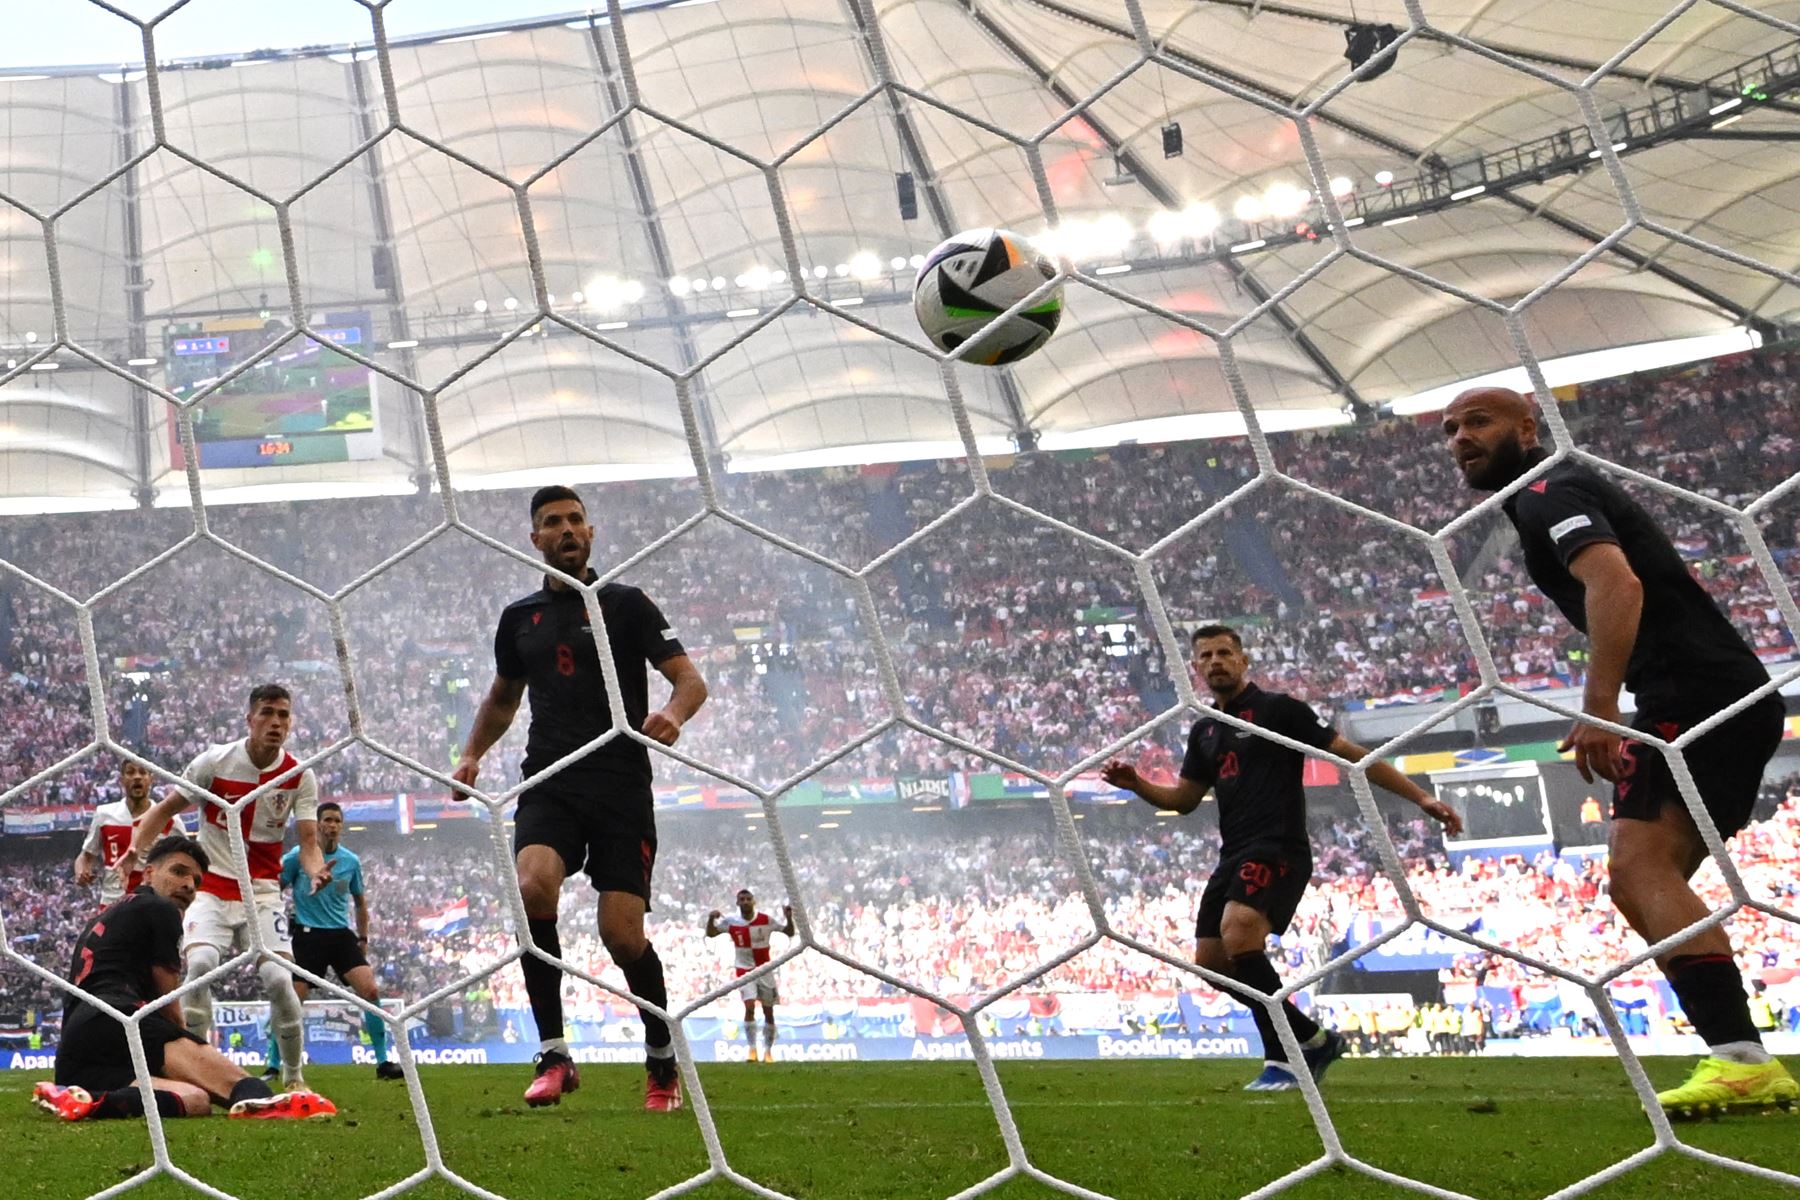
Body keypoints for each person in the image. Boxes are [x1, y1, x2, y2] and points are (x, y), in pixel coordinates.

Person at [1443, 386, 1799, 1118]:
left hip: (1695, 698)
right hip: (1713, 695)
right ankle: (1742, 1061)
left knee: (1639, 867)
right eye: (1450, 429)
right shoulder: (1533, 497)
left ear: (1527, 426)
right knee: (1635, 880)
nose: (1459, 437)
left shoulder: (1550, 486)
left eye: (1478, 421)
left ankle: (1742, 1062)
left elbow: (1616, 580)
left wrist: (1601, 706)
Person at [1102, 624, 1462, 1091]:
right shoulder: (1205, 730)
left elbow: (1354, 756)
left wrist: (1421, 798)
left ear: (1243, 660)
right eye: (1206, 655)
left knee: (1239, 933)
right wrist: (1138, 786)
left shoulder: (1278, 710)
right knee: (1212, 962)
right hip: (1232, 854)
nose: (1216, 662)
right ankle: (1312, 1038)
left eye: (1225, 653)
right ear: (1196, 667)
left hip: (1279, 846)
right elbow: (1185, 800)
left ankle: (1284, 1057)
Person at [451, 484, 708, 1111]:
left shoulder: (627, 604)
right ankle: (555, 1054)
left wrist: (673, 714)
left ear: (590, 533)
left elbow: (690, 680)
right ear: (534, 539)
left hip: (621, 785)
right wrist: (471, 754)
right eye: (552, 522)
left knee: (621, 937)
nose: (566, 530)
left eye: (575, 519)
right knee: (532, 886)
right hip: (551, 779)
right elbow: (502, 699)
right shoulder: (519, 619)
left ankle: (660, 1058)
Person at [118, 683, 330, 1094]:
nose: (276, 722)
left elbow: (308, 844)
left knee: (279, 980)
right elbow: (164, 809)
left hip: (263, 891)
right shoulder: (213, 763)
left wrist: (316, 870)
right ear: (249, 719)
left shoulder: (299, 776)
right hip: (210, 888)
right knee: (198, 970)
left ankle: (294, 1078)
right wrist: (135, 848)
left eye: (283, 714)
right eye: (267, 713)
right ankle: (200, 1072)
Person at [34, 834, 335, 1122]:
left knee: (195, 1100)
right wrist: (186, 1043)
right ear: (148, 873)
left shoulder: (106, 915)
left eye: (196, 882)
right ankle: (277, 1104)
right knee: (236, 1086)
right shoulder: (159, 908)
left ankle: (87, 1100)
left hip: (76, 1050)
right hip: (120, 1018)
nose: (188, 885)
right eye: (179, 872)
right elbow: (167, 1001)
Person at [264, 802, 404, 1081]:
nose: (332, 825)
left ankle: (383, 1061)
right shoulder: (296, 858)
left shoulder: (350, 861)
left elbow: (360, 903)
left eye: (337, 820)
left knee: (371, 992)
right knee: (290, 1002)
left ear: (341, 826)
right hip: (307, 935)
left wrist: (363, 938)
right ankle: (272, 1063)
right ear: (317, 825)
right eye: (327, 819)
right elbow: (273, 889)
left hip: (340, 935)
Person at [705, 890, 794, 1062]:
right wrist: (710, 919)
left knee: (769, 1012)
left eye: (748, 899)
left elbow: (788, 932)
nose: (745, 902)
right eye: (742, 899)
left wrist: (789, 917)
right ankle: (752, 1050)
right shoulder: (732, 922)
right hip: (744, 971)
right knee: (750, 1007)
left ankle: (768, 1052)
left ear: (754, 902)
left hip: (765, 970)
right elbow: (711, 933)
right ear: (737, 903)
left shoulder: (765, 920)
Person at [75, 760, 176, 907]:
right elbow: (86, 856)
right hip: (112, 904)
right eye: (130, 772)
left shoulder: (168, 819)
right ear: (121, 780)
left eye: (142, 772)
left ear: (151, 779)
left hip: (152, 904)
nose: (137, 777)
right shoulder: (104, 814)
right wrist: (81, 871)